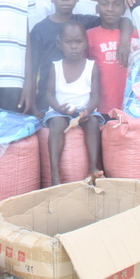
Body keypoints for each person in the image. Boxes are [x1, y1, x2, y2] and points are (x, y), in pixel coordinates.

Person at [31, 0, 131, 114]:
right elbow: (32, 69)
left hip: (80, 104)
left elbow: (122, 20)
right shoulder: (40, 29)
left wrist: (124, 42)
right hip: (47, 102)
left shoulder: (85, 23)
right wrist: (33, 104)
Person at [43, 21, 104, 186]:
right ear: (59, 44)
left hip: (84, 110)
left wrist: (88, 110)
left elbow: (95, 96)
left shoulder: (91, 66)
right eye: (68, 42)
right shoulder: (55, 67)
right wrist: (58, 107)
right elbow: (49, 94)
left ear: (86, 43)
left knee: (93, 123)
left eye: (78, 42)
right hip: (59, 110)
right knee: (57, 124)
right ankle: (55, 173)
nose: (74, 46)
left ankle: (93, 167)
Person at [87, 0, 130, 115]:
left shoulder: (133, 35)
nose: (110, 9)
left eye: (116, 4)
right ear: (97, 8)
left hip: (127, 105)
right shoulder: (89, 35)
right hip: (99, 106)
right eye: (105, 4)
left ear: (123, 9)